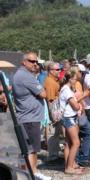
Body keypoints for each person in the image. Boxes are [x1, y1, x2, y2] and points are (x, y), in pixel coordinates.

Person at [13, 52, 51, 180]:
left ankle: (33, 172)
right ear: (24, 62)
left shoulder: (21, 74)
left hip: (28, 117)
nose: (35, 64)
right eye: (32, 61)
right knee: (31, 149)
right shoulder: (25, 76)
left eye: (36, 62)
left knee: (32, 148)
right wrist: (40, 90)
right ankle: (31, 173)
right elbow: (43, 94)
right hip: (29, 118)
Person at [59, 69, 85, 175]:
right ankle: (69, 167)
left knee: (68, 143)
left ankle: (70, 164)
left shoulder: (67, 88)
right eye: (75, 79)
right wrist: (79, 105)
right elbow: (74, 105)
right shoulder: (66, 90)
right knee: (76, 143)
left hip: (69, 117)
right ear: (70, 79)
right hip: (68, 118)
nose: (76, 81)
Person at [44, 62, 62, 161]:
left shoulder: (53, 81)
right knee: (53, 132)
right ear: (51, 71)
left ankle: (54, 154)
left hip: (55, 110)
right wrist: (53, 116)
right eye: (57, 69)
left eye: (59, 69)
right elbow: (50, 100)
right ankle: (52, 156)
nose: (59, 71)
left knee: (55, 133)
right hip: (53, 110)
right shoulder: (50, 82)